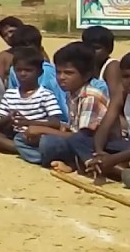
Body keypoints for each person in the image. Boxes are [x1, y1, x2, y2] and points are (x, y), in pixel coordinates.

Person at [71, 50, 130, 188]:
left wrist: (113, 159)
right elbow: (105, 126)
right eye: (126, 76)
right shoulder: (122, 95)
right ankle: (121, 171)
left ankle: (113, 169)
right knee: (79, 138)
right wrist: (100, 152)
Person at [47, 43, 111, 172]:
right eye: (58, 72)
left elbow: (82, 136)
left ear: (87, 75)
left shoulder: (90, 96)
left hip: (96, 143)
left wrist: (42, 130)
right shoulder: (72, 93)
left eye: (68, 73)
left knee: (49, 143)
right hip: (79, 139)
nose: (61, 78)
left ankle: (78, 164)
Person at [0, 16, 25, 81]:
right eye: (5, 35)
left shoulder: (38, 51)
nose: (9, 36)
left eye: (11, 31)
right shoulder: (4, 57)